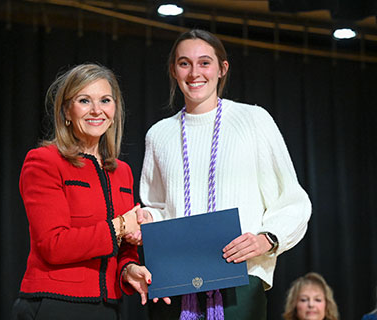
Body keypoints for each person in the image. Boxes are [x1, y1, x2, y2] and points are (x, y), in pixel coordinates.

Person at [128, 29, 312, 319]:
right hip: (178, 281)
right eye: (184, 63)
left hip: (240, 278)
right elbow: (160, 207)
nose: (194, 73)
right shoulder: (159, 135)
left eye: (204, 62)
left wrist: (268, 239)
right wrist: (148, 219)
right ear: (173, 70)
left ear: (222, 69)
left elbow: (293, 200)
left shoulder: (253, 120)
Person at [12, 63, 152, 320]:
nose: (96, 110)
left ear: (114, 111)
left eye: (105, 100)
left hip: (109, 307)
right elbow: (53, 245)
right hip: (55, 304)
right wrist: (120, 225)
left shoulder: (122, 171)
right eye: (84, 100)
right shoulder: (44, 161)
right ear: (67, 110)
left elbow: (123, 246)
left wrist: (128, 268)